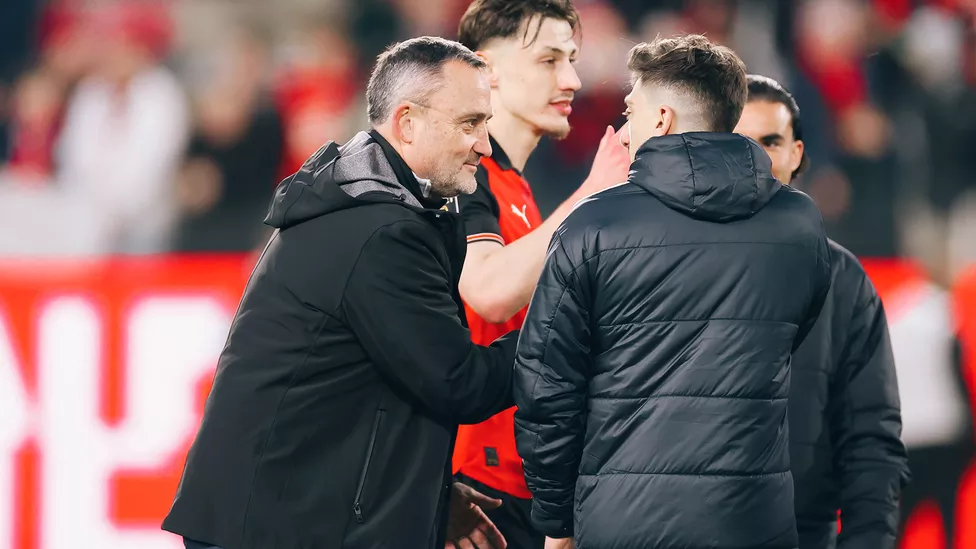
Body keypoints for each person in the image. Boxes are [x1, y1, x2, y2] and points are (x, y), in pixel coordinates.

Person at [162, 36, 518, 549]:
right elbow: (457, 381)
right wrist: (561, 333)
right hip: (275, 527)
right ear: (407, 123)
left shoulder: (364, 204)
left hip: (277, 515)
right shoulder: (380, 231)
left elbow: (363, 395)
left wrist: (430, 496)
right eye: (469, 123)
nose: (484, 144)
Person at [512, 34, 833, 549]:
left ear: (661, 120)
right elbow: (792, 334)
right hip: (756, 523)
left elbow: (547, 391)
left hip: (620, 525)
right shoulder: (800, 227)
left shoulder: (591, 227)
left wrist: (555, 519)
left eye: (630, 109)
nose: (622, 124)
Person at [451, 2, 631, 547]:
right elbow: (489, 293)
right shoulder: (464, 173)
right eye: (550, 60)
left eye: (573, 59)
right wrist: (592, 192)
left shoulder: (519, 191)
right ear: (486, 70)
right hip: (475, 496)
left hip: (519, 487)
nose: (572, 79)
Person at [734, 74, 910, 549]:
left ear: (797, 155)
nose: (757, 159)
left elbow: (871, 439)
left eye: (770, 141)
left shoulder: (843, 278)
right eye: (740, 142)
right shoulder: (660, 260)